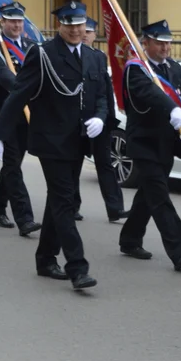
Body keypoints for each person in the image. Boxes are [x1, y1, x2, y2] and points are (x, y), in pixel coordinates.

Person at [0, 1, 112, 288]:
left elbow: (102, 95)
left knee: (59, 201)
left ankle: (45, 258)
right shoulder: (42, 54)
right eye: (69, 25)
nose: (75, 30)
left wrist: (101, 118)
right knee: (65, 200)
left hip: (80, 140)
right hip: (50, 141)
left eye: (80, 25)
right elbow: (18, 95)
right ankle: (77, 267)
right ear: (60, 26)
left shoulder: (95, 57)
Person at [116, 20, 181, 271]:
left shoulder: (174, 68)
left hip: (165, 144)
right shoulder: (136, 69)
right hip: (143, 143)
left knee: (148, 195)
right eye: (159, 42)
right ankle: (180, 251)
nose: (165, 47)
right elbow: (148, 93)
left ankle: (130, 239)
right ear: (145, 43)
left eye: (168, 42)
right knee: (160, 195)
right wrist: (171, 107)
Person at [0, 3, 40, 237]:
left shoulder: (30, 46)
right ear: (2, 21)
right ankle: (24, 218)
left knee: (12, 165)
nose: (16, 25)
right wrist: (22, 88)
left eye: (19, 21)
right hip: (4, 116)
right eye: (11, 21)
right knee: (13, 165)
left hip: (26, 115)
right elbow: (0, 72)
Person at [74, 17, 127, 222]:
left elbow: (104, 90)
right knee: (74, 164)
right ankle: (72, 206)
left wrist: (107, 119)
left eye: (89, 31)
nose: (85, 34)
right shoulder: (69, 57)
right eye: (82, 30)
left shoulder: (98, 57)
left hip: (99, 121)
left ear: (95, 35)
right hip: (77, 122)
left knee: (105, 164)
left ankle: (115, 208)